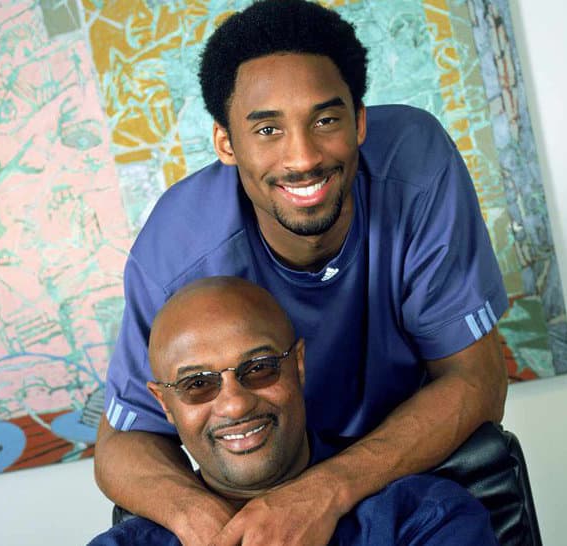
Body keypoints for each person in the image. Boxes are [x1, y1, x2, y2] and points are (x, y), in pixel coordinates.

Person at [94, 1, 509, 544]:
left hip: (397, 491)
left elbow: (476, 380)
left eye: (326, 120)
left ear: (359, 122)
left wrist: (323, 492)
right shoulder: (175, 250)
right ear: (225, 142)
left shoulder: (416, 163)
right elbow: (122, 445)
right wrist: (214, 527)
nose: (303, 157)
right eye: (268, 129)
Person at [89, 277, 498, 546]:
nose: (234, 403)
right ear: (165, 404)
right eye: (198, 384)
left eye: (259, 368)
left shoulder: (425, 519)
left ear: (298, 366)